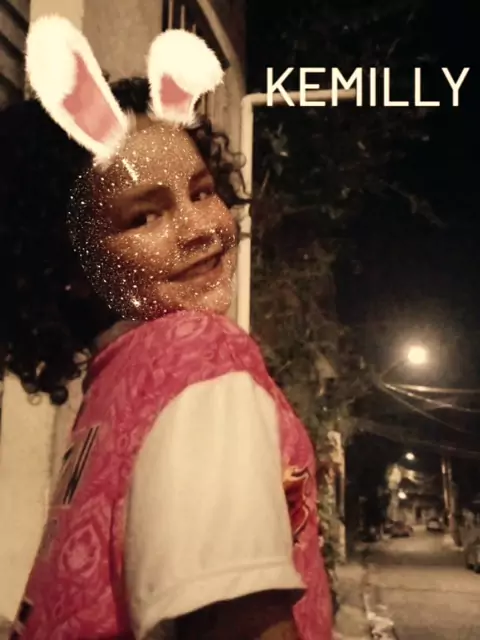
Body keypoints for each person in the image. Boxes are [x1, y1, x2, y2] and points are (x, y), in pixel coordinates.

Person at [2, 16, 332, 640]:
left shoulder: (116, 389)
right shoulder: (199, 357)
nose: (201, 229)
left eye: (202, 192)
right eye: (144, 217)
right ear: (72, 266)